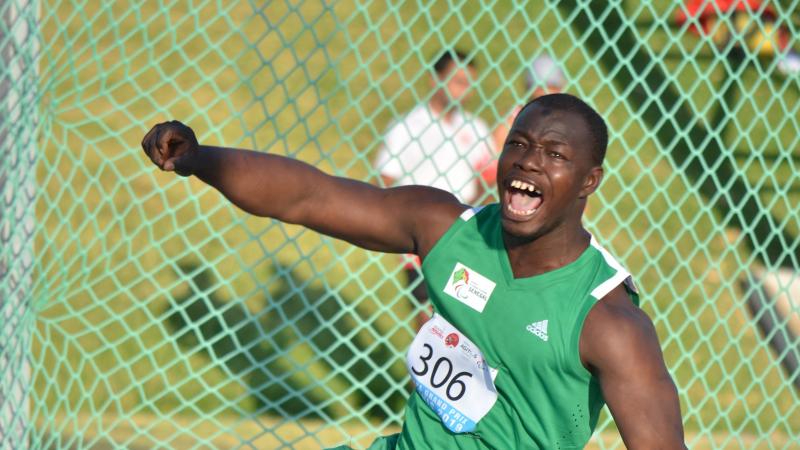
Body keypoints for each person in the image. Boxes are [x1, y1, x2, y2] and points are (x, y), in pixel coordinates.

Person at [141, 93, 686, 449]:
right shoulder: (447, 228)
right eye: (517, 145)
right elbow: (308, 197)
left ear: (589, 181)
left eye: (554, 154)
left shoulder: (609, 323)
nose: (528, 161)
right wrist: (198, 158)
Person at [374, 49, 496, 328]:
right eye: (456, 80)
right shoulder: (409, 126)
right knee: (428, 316)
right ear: (434, 79)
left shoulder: (476, 129)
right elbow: (383, 182)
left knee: (464, 318)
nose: (462, 89)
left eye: (468, 83)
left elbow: (487, 181)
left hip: (464, 235)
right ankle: (423, 369)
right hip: (418, 233)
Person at [492, 54, 566, 154]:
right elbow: (496, 151)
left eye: (552, 87)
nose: (546, 92)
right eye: (540, 88)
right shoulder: (514, 118)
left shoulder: (568, 119)